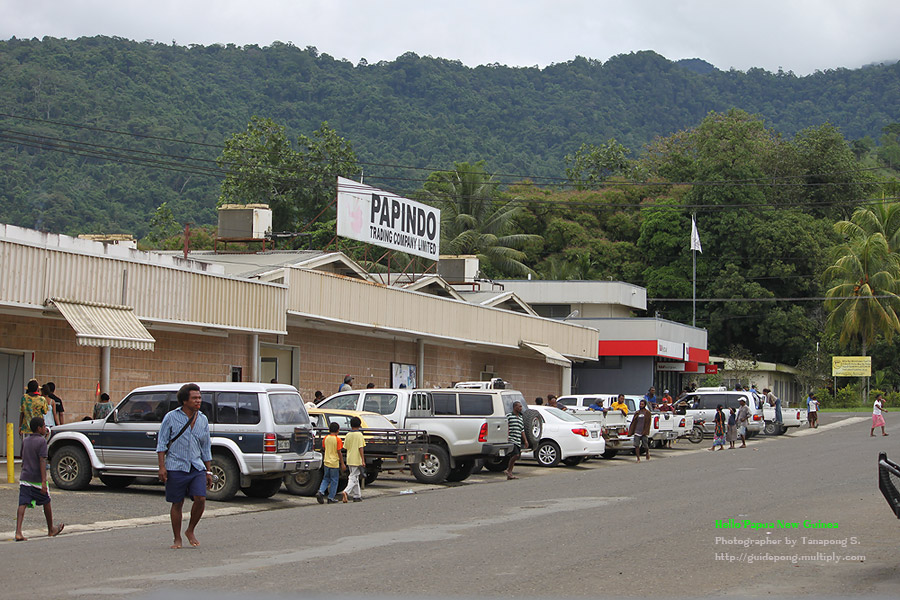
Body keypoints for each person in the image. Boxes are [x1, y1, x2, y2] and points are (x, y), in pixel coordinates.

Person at [156, 383, 212, 549]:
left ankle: (190, 530)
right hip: (176, 466)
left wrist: (208, 470)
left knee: (201, 498)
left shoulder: (202, 419)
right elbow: (161, 444)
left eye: (199, 398)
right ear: (184, 400)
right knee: (177, 503)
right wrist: (162, 467)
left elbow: (206, 447)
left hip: (196, 466)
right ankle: (177, 538)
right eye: (194, 398)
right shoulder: (171, 417)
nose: (198, 401)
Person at [14, 417, 65, 541]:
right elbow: (42, 461)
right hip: (36, 479)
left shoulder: (26, 440)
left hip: (25, 477)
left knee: (22, 503)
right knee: (46, 501)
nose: (45, 428)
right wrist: (43, 481)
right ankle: (51, 529)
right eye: (43, 426)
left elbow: (23, 457)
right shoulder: (41, 442)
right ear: (39, 428)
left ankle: (18, 531)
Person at [316, 422, 346, 504]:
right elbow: (339, 452)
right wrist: (342, 463)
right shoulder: (338, 440)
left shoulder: (326, 438)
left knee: (326, 478)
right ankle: (331, 497)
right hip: (334, 462)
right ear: (338, 430)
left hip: (326, 461)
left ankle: (321, 491)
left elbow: (324, 448)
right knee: (334, 480)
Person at [340, 416, 366, 502]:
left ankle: (357, 495)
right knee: (353, 477)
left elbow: (346, 447)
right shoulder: (359, 435)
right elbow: (360, 448)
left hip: (350, 458)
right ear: (359, 425)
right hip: (357, 459)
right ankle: (346, 492)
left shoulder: (348, 434)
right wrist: (363, 459)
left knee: (355, 477)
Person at [505, 400, 529, 479]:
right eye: (519, 406)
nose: (521, 408)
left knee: (517, 456)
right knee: (516, 455)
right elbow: (505, 426)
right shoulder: (509, 416)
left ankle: (509, 473)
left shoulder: (521, 417)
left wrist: (525, 440)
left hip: (518, 439)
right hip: (511, 439)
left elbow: (522, 430)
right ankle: (509, 471)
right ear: (515, 407)